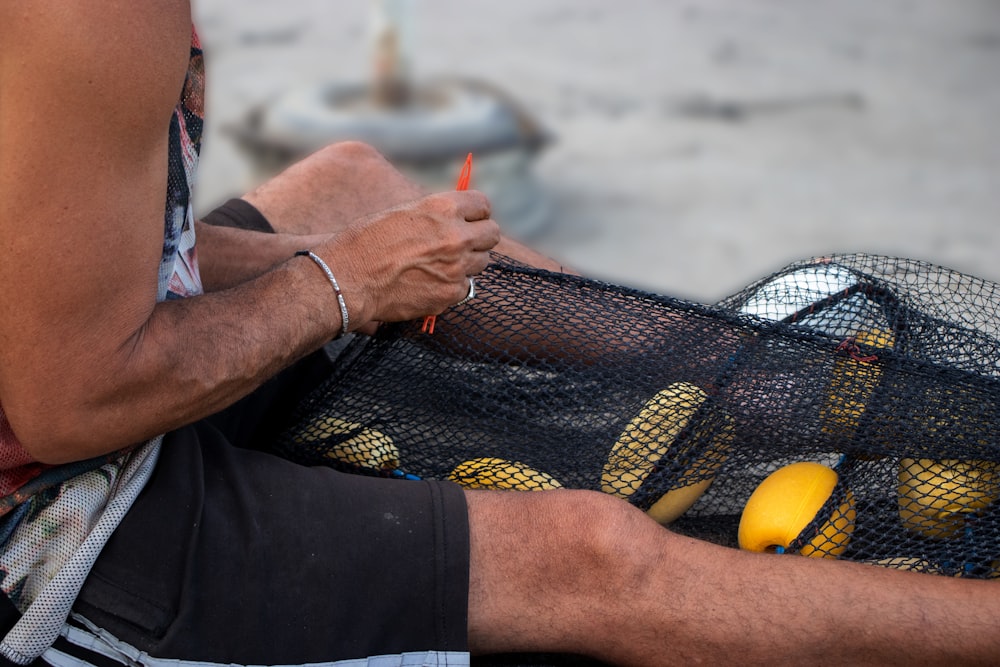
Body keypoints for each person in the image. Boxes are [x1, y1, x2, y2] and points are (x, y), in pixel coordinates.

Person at [0, 3, 998, 666]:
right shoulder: (91, 18)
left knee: (354, 181)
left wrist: (353, 253)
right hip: (55, 532)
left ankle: (741, 383)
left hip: (61, 360)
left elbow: (69, 260)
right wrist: (346, 281)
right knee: (589, 552)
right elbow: (70, 400)